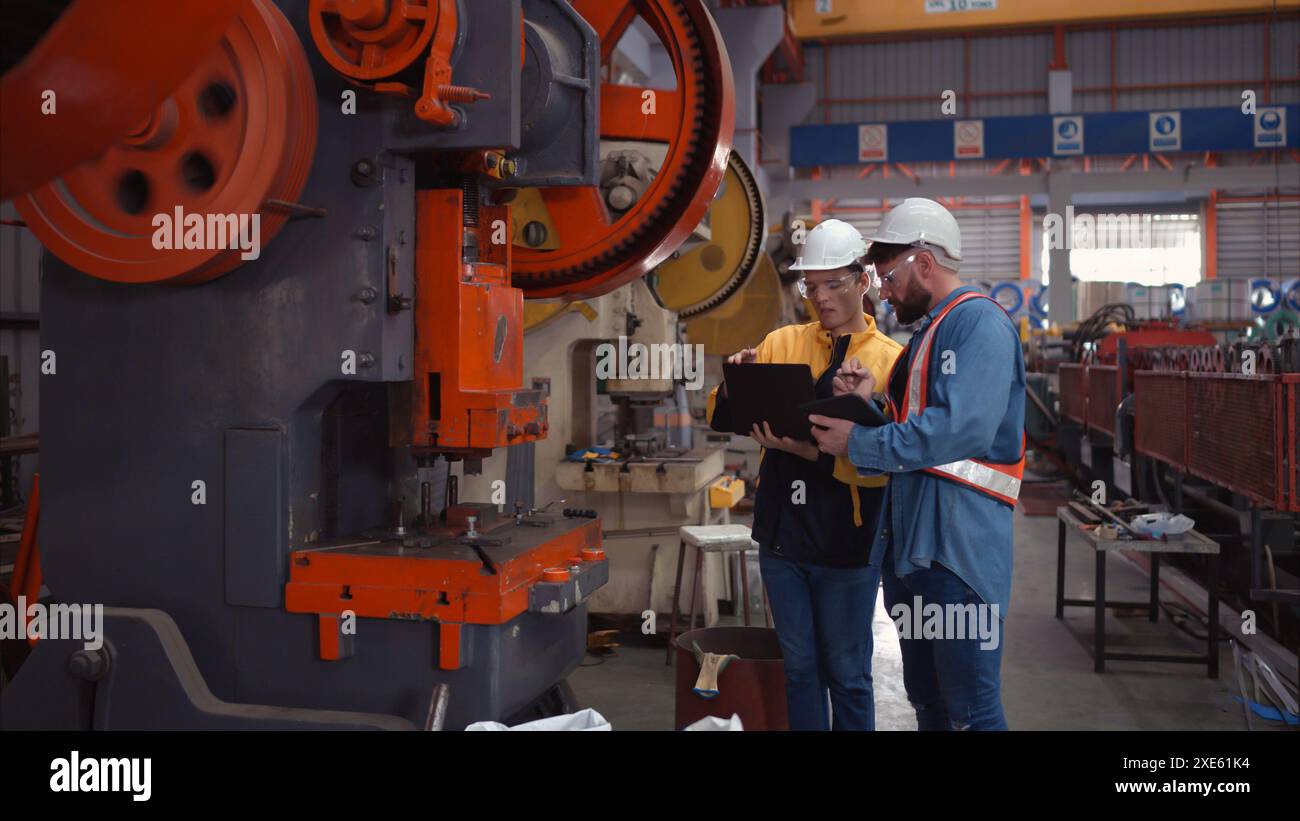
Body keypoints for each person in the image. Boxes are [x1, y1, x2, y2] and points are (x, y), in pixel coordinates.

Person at [808, 198, 1025, 731]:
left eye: (887, 277)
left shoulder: (978, 324)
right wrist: (872, 403)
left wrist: (859, 444)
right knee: (929, 703)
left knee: (969, 711)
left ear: (923, 263)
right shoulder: (928, 333)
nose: (881, 290)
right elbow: (917, 421)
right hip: (918, 556)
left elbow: (962, 429)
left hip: (960, 555)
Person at [706, 219, 902, 731]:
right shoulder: (781, 341)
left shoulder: (890, 361)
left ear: (864, 281)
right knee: (800, 669)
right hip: (781, 536)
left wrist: (799, 447)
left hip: (848, 541)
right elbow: (721, 416)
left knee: (847, 672)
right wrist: (735, 382)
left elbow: (886, 465)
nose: (820, 297)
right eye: (811, 286)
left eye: (833, 283)